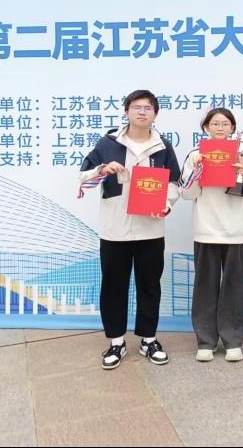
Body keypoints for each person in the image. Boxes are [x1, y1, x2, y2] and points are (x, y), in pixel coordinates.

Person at [78, 89, 181, 370]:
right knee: (114, 286)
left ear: (155, 113)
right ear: (126, 112)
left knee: (150, 285)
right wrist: (102, 169)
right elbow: (83, 175)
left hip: (150, 229)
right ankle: (116, 342)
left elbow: (174, 183)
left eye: (148, 108)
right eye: (136, 107)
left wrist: (166, 204)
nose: (142, 112)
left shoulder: (163, 146)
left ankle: (149, 339)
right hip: (115, 230)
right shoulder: (108, 143)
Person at [180, 108, 243, 362]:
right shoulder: (196, 155)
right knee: (205, 287)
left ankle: (233, 341)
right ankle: (206, 341)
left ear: (233, 128)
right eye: (215, 123)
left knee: (235, 287)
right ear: (206, 127)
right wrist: (196, 170)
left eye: (225, 124)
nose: (220, 127)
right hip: (206, 230)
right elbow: (187, 194)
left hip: (237, 232)